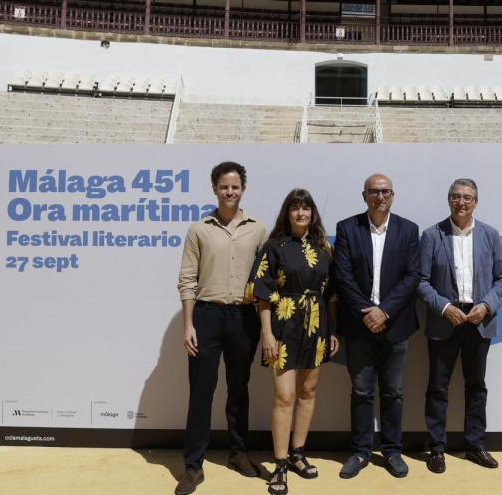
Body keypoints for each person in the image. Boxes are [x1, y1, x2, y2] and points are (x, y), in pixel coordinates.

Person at [175, 161, 269, 495]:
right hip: (206, 316)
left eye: (235, 186)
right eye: (223, 186)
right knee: (201, 391)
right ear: (214, 189)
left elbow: (266, 280)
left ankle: (239, 454)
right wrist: (188, 324)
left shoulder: (258, 229)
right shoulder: (199, 229)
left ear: (242, 189)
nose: (230, 192)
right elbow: (186, 280)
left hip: (243, 318)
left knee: (239, 389)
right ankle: (192, 465)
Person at [247, 189, 340, 494]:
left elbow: (332, 295)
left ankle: (298, 453)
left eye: (306, 208)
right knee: (284, 396)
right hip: (283, 324)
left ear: (313, 213)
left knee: (308, 391)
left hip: (317, 326)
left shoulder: (324, 247)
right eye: (295, 208)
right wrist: (267, 333)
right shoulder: (274, 247)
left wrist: (333, 331)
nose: (301, 213)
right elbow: (260, 292)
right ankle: (280, 464)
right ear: (287, 213)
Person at [418, 178, 502, 473]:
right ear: (449, 200)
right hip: (445, 320)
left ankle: (474, 444)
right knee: (438, 388)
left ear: (476, 202)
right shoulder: (433, 235)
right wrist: (445, 308)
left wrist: (485, 306)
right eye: (456, 197)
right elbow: (420, 282)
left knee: (476, 387)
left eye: (467, 198)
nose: (461, 202)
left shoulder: (490, 235)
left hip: (479, 321)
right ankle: (436, 447)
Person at [332, 173, 421, 479]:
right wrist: (367, 313)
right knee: (361, 392)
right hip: (359, 327)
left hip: (396, 326)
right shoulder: (347, 228)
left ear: (393, 195)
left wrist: (384, 311)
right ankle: (360, 451)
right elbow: (342, 276)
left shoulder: (409, 230)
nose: (379, 197)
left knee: (394, 392)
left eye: (385, 192)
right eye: (374, 191)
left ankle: (393, 450)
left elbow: (412, 277)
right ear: (364, 195)